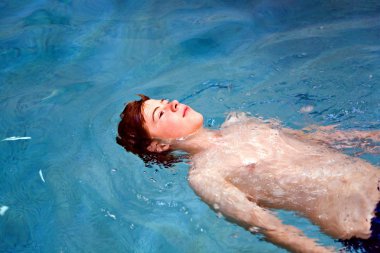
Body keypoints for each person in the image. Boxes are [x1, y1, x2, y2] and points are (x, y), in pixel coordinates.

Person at [117, 94, 380, 253]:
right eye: (161, 113)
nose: (173, 103)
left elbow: (324, 141)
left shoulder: (240, 122)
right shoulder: (205, 175)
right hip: (366, 223)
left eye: (166, 101)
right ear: (159, 145)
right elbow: (269, 227)